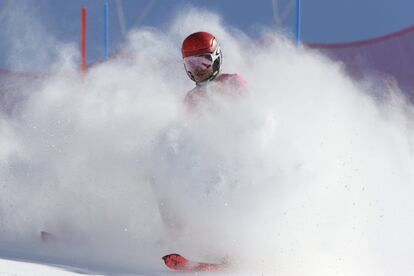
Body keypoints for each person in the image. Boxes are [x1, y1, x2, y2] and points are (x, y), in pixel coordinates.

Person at [181, 31, 247, 109]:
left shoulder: (231, 82)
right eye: (191, 64)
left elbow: (247, 110)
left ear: (216, 58)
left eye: (204, 63)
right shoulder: (191, 97)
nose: (198, 69)